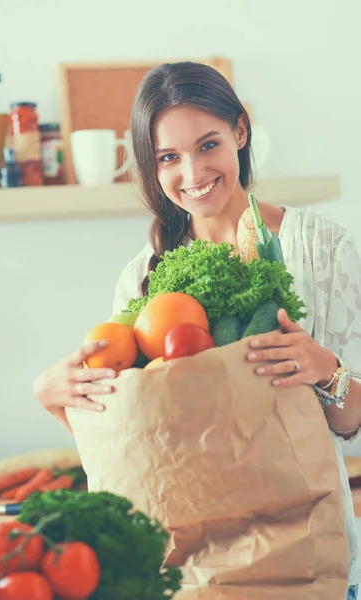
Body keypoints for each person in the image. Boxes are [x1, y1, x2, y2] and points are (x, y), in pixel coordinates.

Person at [34, 61, 361, 598]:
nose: (193, 173)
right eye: (169, 157)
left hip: (307, 553)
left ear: (240, 131)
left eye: (208, 145)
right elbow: (138, 436)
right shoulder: (142, 278)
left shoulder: (321, 248)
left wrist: (328, 370)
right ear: (151, 166)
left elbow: (351, 423)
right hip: (193, 568)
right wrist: (54, 396)